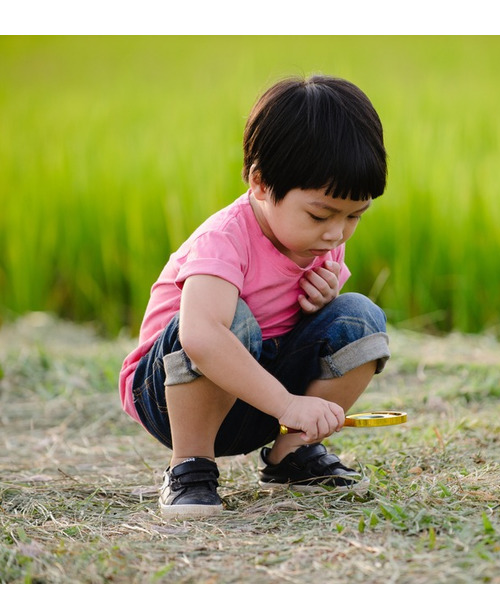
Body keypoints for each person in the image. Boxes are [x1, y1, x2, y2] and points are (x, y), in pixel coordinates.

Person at [118, 75, 390, 518]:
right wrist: (288, 404)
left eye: (355, 215)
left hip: (256, 396)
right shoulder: (223, 241)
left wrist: (323, 302)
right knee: (230, 321)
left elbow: (305, 317)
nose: (337, 233)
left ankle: (292, 454)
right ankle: (189, 466)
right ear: (261, 184)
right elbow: (201, 337)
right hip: (172, 394)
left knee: (360, 316)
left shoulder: (320, 237)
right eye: (321, 214)